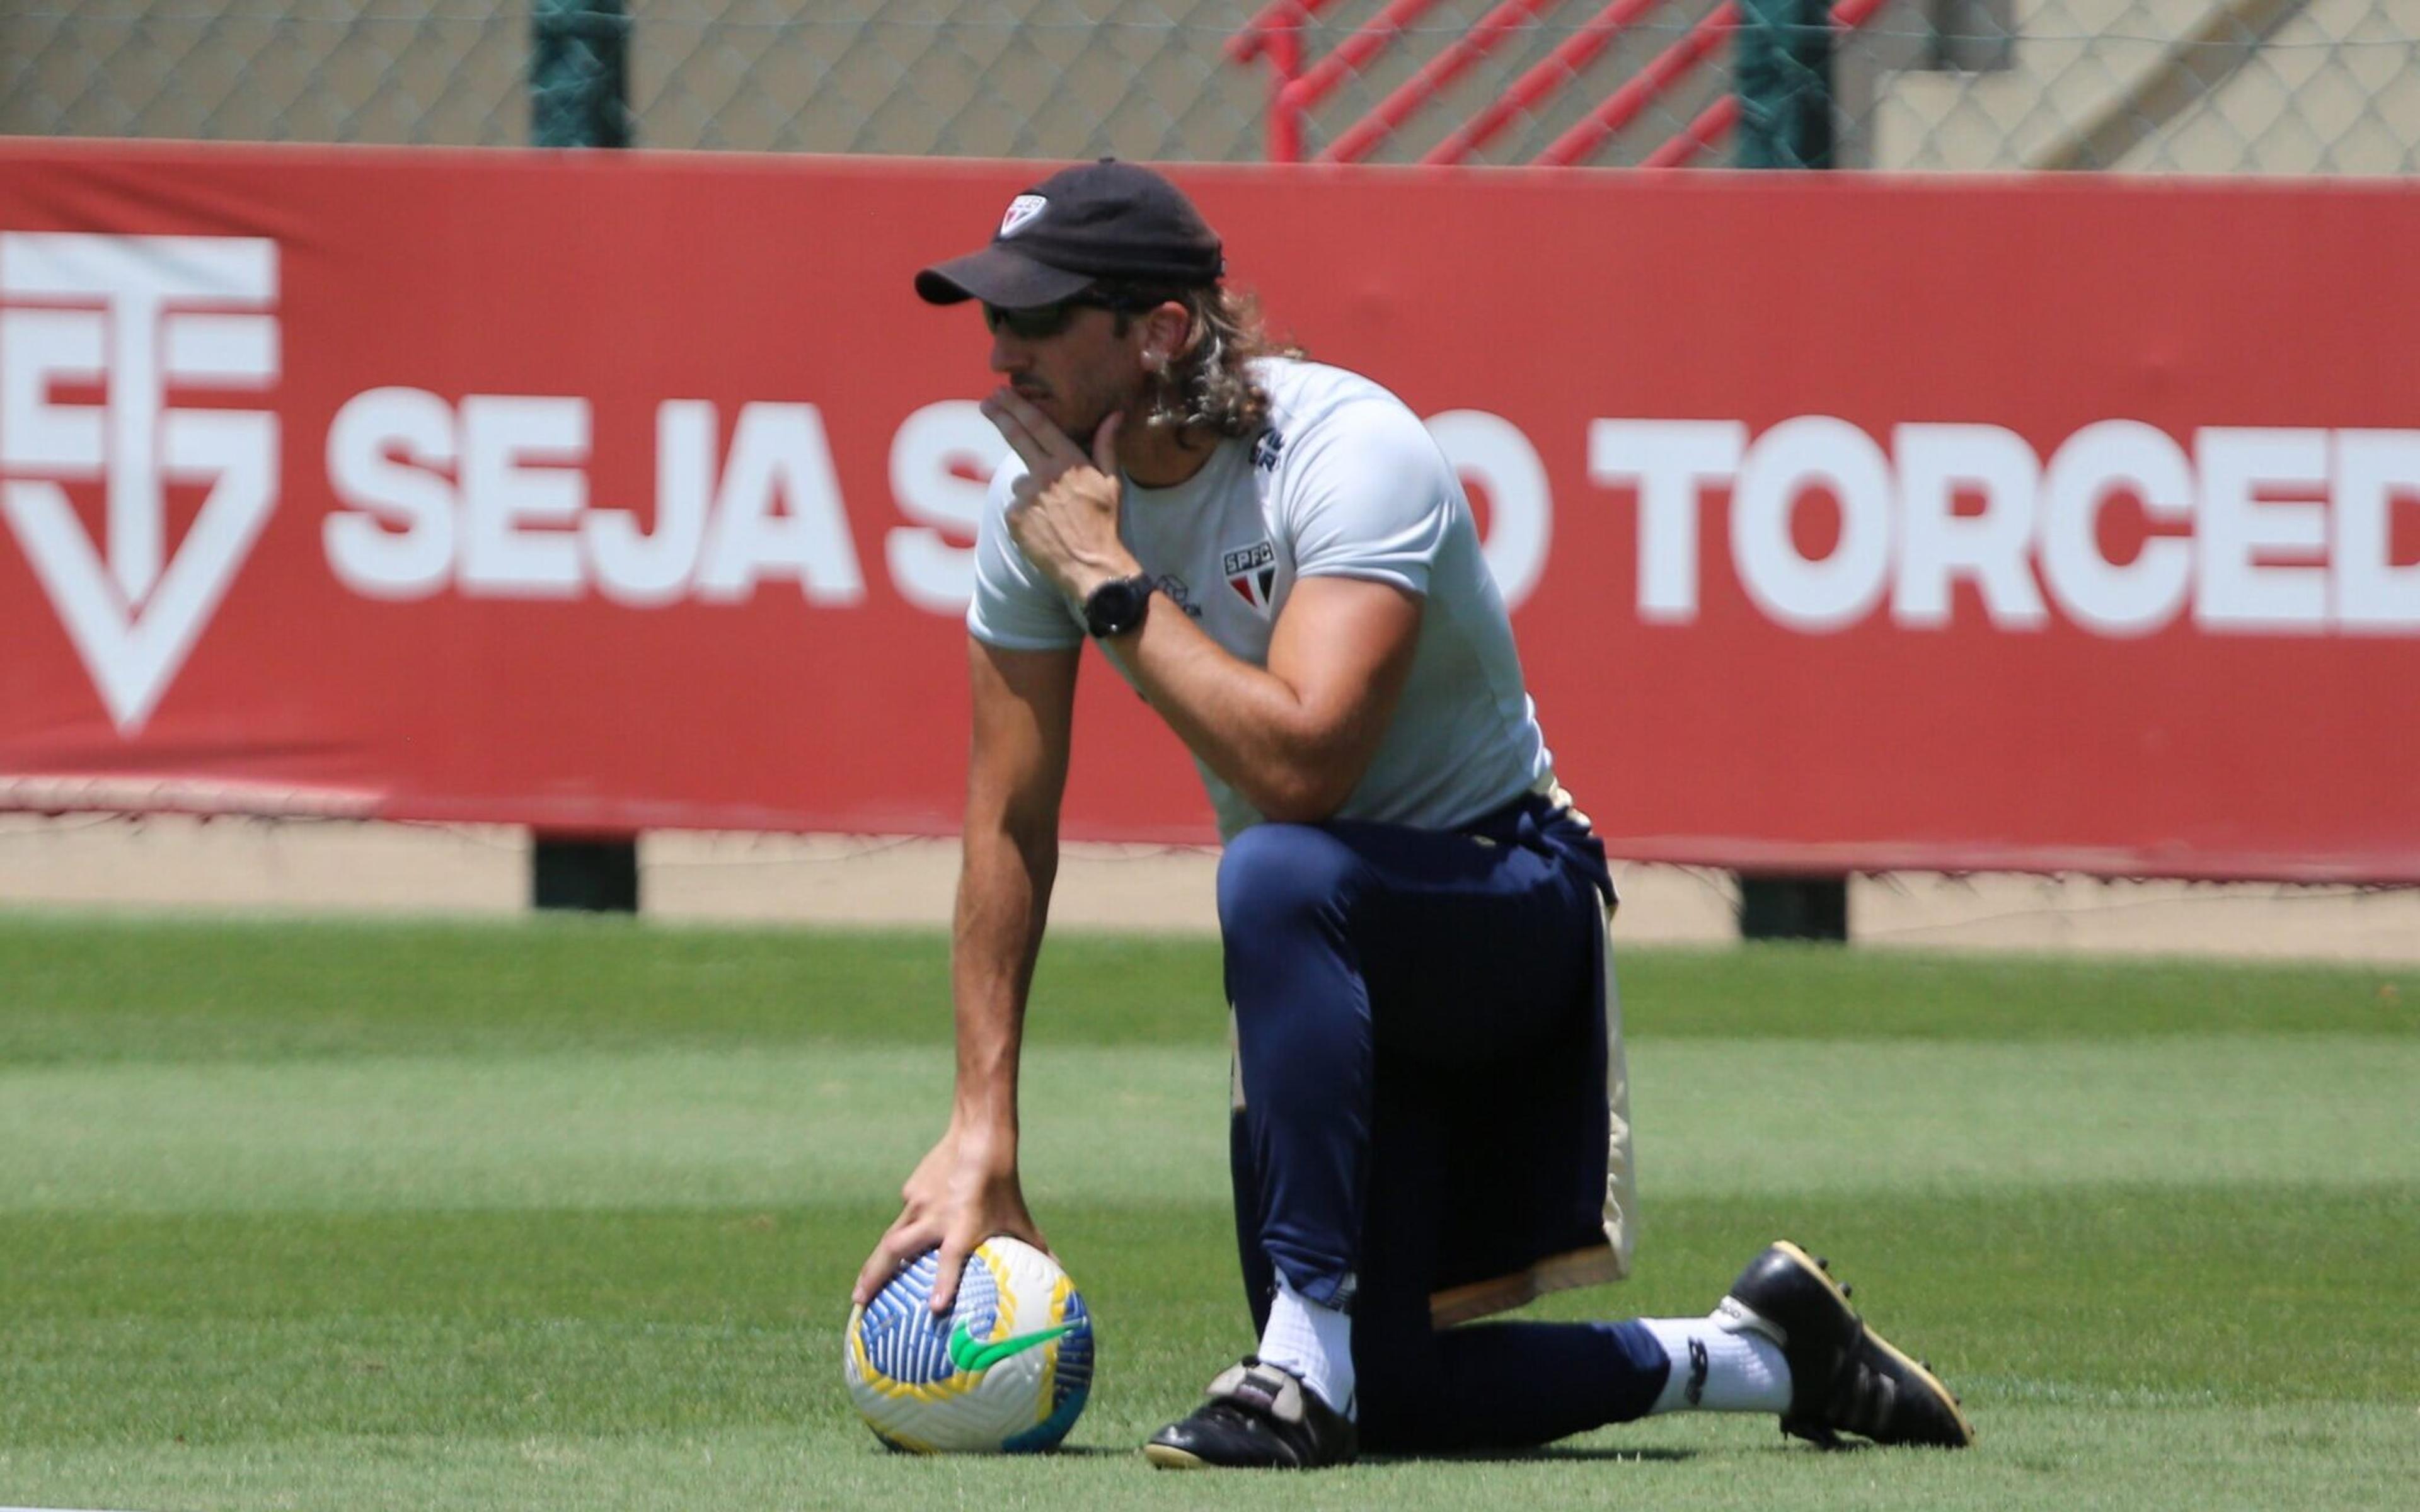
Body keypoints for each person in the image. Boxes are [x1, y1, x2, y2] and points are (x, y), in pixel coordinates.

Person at [850, 158, 1973, 1469]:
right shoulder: (1032, 521)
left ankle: (1294, 1359)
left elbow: (1305, 768)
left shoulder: (1346, 447)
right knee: (1398, 1397)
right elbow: (1007, 826)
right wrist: (982, 1125)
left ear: (1159, 334)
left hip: (1502, 904)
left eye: (1038, 319)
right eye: (990, 317)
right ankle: (1762, 1353)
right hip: (1322, 954)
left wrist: (1107, 576)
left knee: (1273, 870)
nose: (1000, 351)